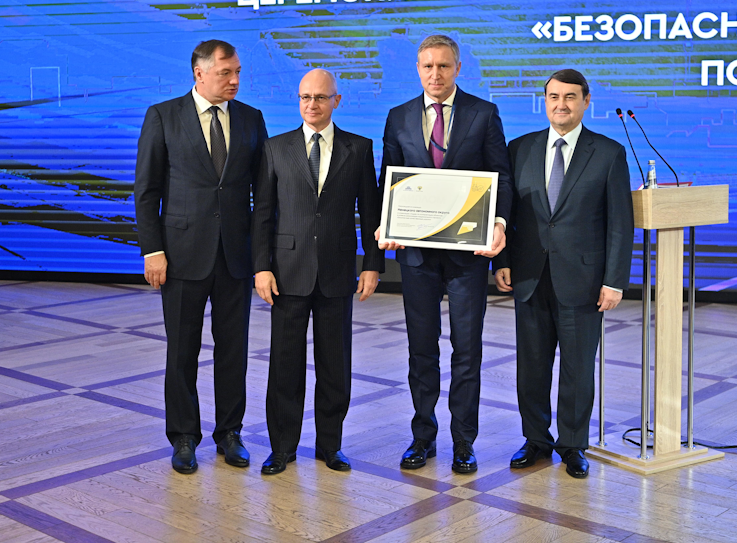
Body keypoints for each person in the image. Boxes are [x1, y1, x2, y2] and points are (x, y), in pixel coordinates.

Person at [378, 35, 513, 473]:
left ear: (457, 68)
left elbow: (501, 177)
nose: (435, 74)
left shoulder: (483, 113)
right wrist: (387, 221)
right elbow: (389, 179)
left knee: (466, 350)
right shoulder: (398, 116)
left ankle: (463, 441)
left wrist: (499, 223)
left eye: (443, 66)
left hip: (466, 255)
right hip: (416, 254)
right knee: (421, 350)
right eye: (427, 66)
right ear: (418, 69)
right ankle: (422, 437)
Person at [134, 40, 268, 474]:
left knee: (234, 350)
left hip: (235, 256)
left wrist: (263, 256)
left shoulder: (251, 118)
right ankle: (184, 436)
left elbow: (264, 194)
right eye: (226, 72)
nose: (234, 80)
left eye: (238, 72)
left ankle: (230, 433)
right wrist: (153, 250)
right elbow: (147, 190)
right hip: (180, 256)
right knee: (182, 351)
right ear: (199, 73)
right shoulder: (163, 115)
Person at [494, 69, 634, 479]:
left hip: (584, 281)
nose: (561, 104)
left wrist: (614, 281)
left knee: (577, 369)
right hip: (529, 277)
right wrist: (501, 262)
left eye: (570, 97)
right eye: (554, 97)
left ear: (586, 102)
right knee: (531, 367)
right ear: (545, 101)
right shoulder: (520, 148)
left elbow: (620, 224)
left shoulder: (608, 153)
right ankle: (536, 440)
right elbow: (507, 213)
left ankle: (573, 444)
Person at [252, 69, 384, 475]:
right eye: (305, 97)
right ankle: (282, 448)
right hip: (286, 273)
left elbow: (371, 212)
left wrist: (372, 264)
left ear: (336, 101)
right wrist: (261, 268)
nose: (312, 104)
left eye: (321, 97)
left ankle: (331, 446)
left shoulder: (359, 148)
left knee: (334, 366)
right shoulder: (275, 148)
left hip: (337, 272)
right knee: (284, 365)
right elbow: (263, 214)